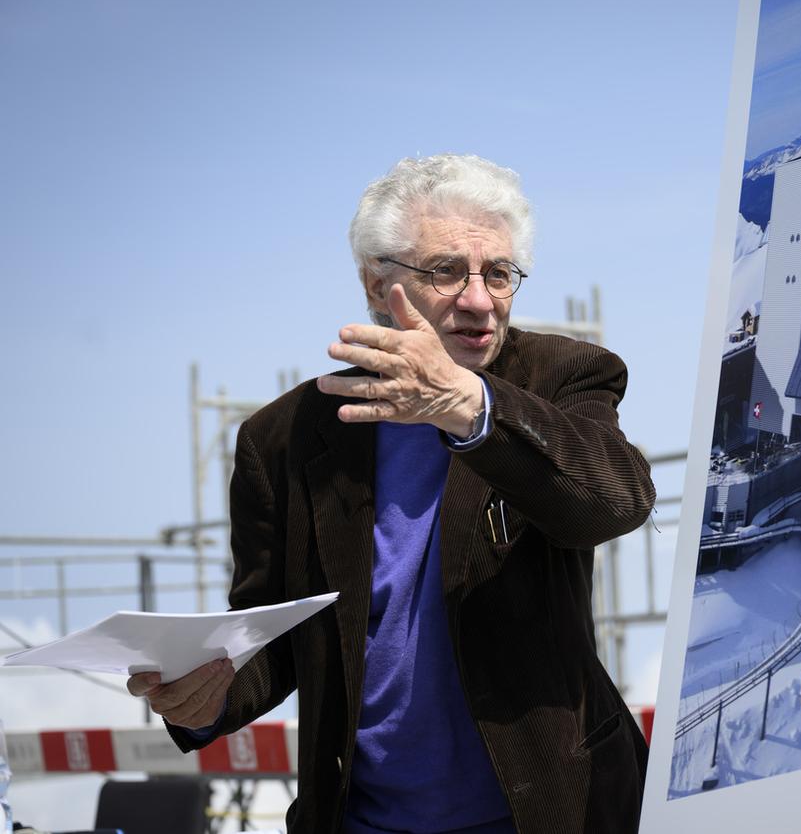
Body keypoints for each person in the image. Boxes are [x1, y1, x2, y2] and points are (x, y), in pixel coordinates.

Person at [128, 155, 656, 833]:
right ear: (377, 283)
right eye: (446, 271)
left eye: (498, 273)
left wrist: (473, 411)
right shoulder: (282, 438)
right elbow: (278, 635)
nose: (478, 299)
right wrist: (205, 701)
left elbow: (616, 500)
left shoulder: (563, 376)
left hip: (547, 810)